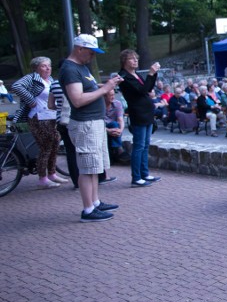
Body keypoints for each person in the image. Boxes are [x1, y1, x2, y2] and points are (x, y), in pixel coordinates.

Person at [59, 34, 121, 222]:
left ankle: (95, 202)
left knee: (94, 166)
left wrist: (105, 85)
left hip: (94, 122)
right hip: (85, 124)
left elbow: (87, 89)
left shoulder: (81, 67)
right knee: (87, 168)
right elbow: (77, 100)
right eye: (91, 52)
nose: (93, 56)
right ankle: (87, 210)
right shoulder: (70, 69)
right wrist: (105, 88)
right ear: (79, 49)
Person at [11, 57, 66, 188]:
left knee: (55, 143)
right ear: (36, 68)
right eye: (44, 66)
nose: (48, 68)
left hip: (51, 116)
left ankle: (52, 173)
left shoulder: (51, 80)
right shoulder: (32, 78)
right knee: (46, 146)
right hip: (38, 117)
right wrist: (31, 100)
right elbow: (16, 86)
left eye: (49, 65)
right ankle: (42, 178)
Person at [118, 49, 162, 187]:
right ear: (125, 61)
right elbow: (142, 91)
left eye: (136, 58)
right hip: (138, 114)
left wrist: (153, 74)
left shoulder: (135, 74)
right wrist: (150, 73)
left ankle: (145, 173)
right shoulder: (124, 76)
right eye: (132, 59)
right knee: (139, 146)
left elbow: (147, 88)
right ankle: (136, 177)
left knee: (145, 145)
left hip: (147, 113)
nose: (135, 61)